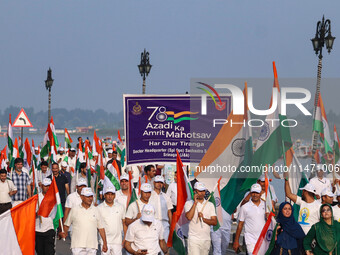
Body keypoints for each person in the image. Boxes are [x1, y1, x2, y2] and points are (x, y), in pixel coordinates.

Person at [61, 187, 108, 254]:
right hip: (77, 246)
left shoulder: (96, 210)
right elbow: (67, 224)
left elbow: (101, 228)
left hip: (92, 246)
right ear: (82, 197)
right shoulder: (74, 209)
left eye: (91, 196)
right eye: (87, 196)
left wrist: (105, 243)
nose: (90, 198)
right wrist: (64, 233)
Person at [185, 182, 217, 255]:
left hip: (206, 239)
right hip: (193, 239)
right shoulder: (189, 203)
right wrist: (195, 203)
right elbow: (189, 217)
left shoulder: (210, 205)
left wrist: (204, 219)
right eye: (199, 191)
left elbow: (214, 222)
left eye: (203, 191)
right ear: (195, 191)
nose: (202, 193)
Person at [233, 183, 266, 254]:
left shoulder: (266, 205)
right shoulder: (245, 207)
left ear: (260, 193)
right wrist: (236, 241)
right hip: (250, 240)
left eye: (257, 193)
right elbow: (240, 225)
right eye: (253, 192)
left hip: (263, 240)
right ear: (250, 193)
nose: (255, 195)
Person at [98, 185, 126, 255]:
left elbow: (124, 223)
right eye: (108, 194)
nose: (110, 196)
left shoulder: (120, 207)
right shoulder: (99, 208)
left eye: (112, 194)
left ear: (115, 195)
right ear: (104, 195)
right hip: (104, 241)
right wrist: (103, 242)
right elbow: (98, 226)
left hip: (117, 241)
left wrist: (125, 238)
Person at [35, 178, 56, 255]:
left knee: (49, 252)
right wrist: (37, 213)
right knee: (40, 252)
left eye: (49, 186)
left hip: (49, 229)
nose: (47, 188)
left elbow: (58, 214)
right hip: (38, 229)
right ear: (41, 186)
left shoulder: (55, 198)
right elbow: (31, 215)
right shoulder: (36, 198)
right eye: (45, 186)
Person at [149, 175, 173, 242]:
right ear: (154, 183)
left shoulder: (166, 197)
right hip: (152, 224)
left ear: (163, 184)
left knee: (165, 248)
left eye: (161, 182)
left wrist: (171, 226)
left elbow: (169, 212)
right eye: (157, 182)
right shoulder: (149, 195)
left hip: (164, 224)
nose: (159, 184)